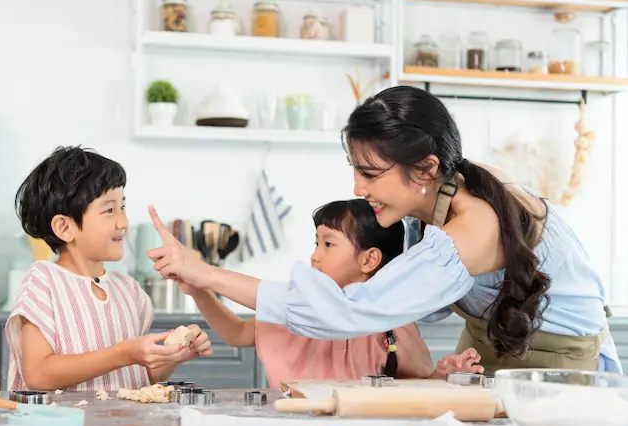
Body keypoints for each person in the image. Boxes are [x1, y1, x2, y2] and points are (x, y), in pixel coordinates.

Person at [146, 86, 619, 375]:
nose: (357, 187)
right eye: (355, 170)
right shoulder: (441, 197)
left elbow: (344, 313)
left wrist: (204, 272)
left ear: (425, 168)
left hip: (559, 362)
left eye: (370, 174)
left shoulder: (475, 226)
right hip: (489, 345)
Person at [176, 199, 483, 388]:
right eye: (316, 243)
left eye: (328, 244)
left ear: (369, 260)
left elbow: (412, 387)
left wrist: (439, 377)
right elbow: (238, 333)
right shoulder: (302, 311)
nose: (315, 256)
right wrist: (200, 292)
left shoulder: (392, 326)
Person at [5, 146, 212, 393]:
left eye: (122, 207)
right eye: (109, 210)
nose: (123, 222)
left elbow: (140, 375)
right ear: (65, 227)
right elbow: (38, 375)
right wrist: (126, 352)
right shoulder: (44, 282)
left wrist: (175, 354)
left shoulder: (130, 291)